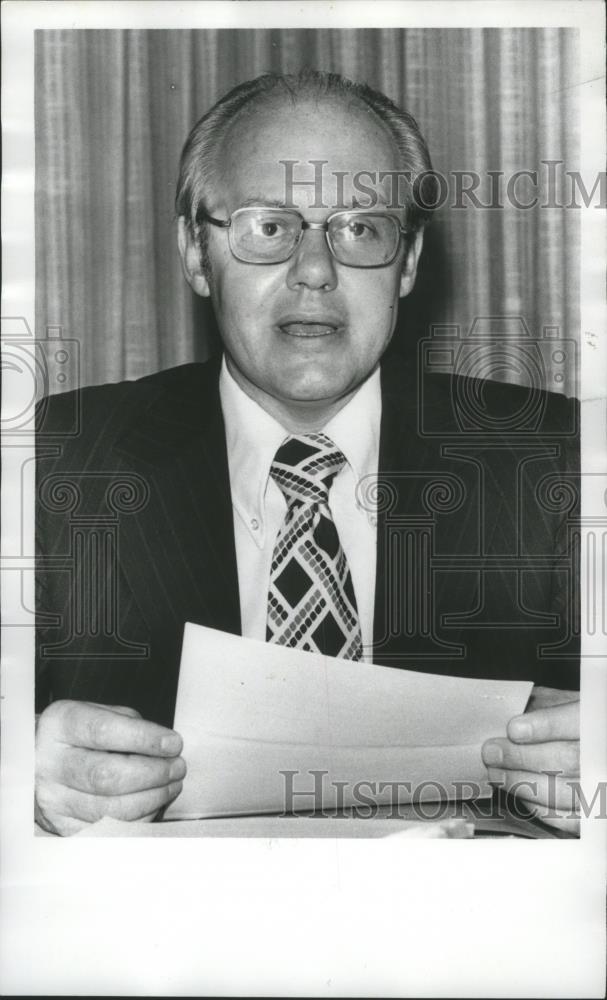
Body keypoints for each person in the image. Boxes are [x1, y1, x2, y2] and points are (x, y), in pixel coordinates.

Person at [35, 70, 580, 836]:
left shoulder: (553, 459)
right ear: (196, 252)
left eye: (361, 228)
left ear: (409, 260)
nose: (316, 271)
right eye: (268, 226)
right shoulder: (54, 459)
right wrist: (21, 778)